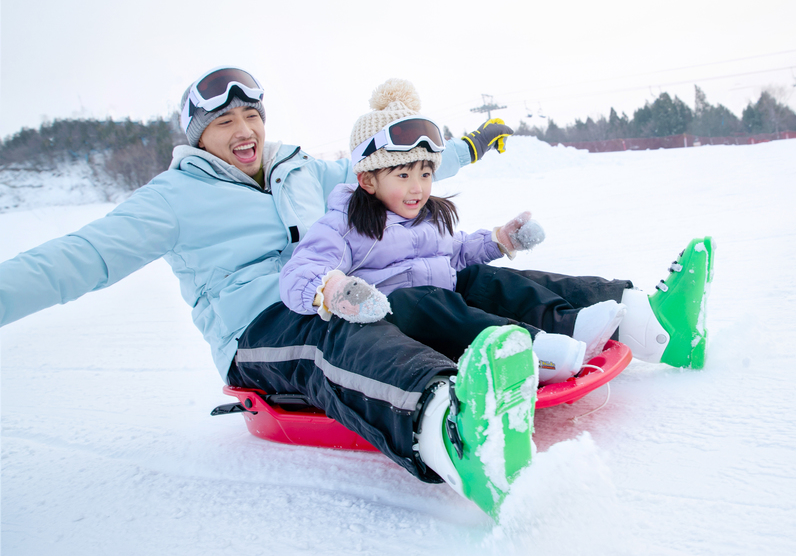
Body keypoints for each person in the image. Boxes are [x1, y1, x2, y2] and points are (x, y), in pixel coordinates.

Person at [0, 66, 713, 520]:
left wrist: (468, 145)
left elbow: (382, 163)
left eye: (251, 116)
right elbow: (78, 258)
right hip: (263, 328)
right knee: (330, 340)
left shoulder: (297, 168)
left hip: (355, 290)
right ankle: (454, 426)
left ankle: (640, 317)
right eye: (223, 121)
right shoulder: (172, 199)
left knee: (455, 272)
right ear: (198, 134)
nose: (244, 130)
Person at [278, 78, 627, 385]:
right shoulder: (344, 223)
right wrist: (335, 291)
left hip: (443, 315)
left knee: (479, 278)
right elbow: (298, 273)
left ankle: (569, 325)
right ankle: (531, 351)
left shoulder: (424, 216)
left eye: (426, 174)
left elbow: (455, 252)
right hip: (399, 329)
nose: (418, 188)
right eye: (403, 175)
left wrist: (499, 239)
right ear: (367, 179)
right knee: (420, 300)